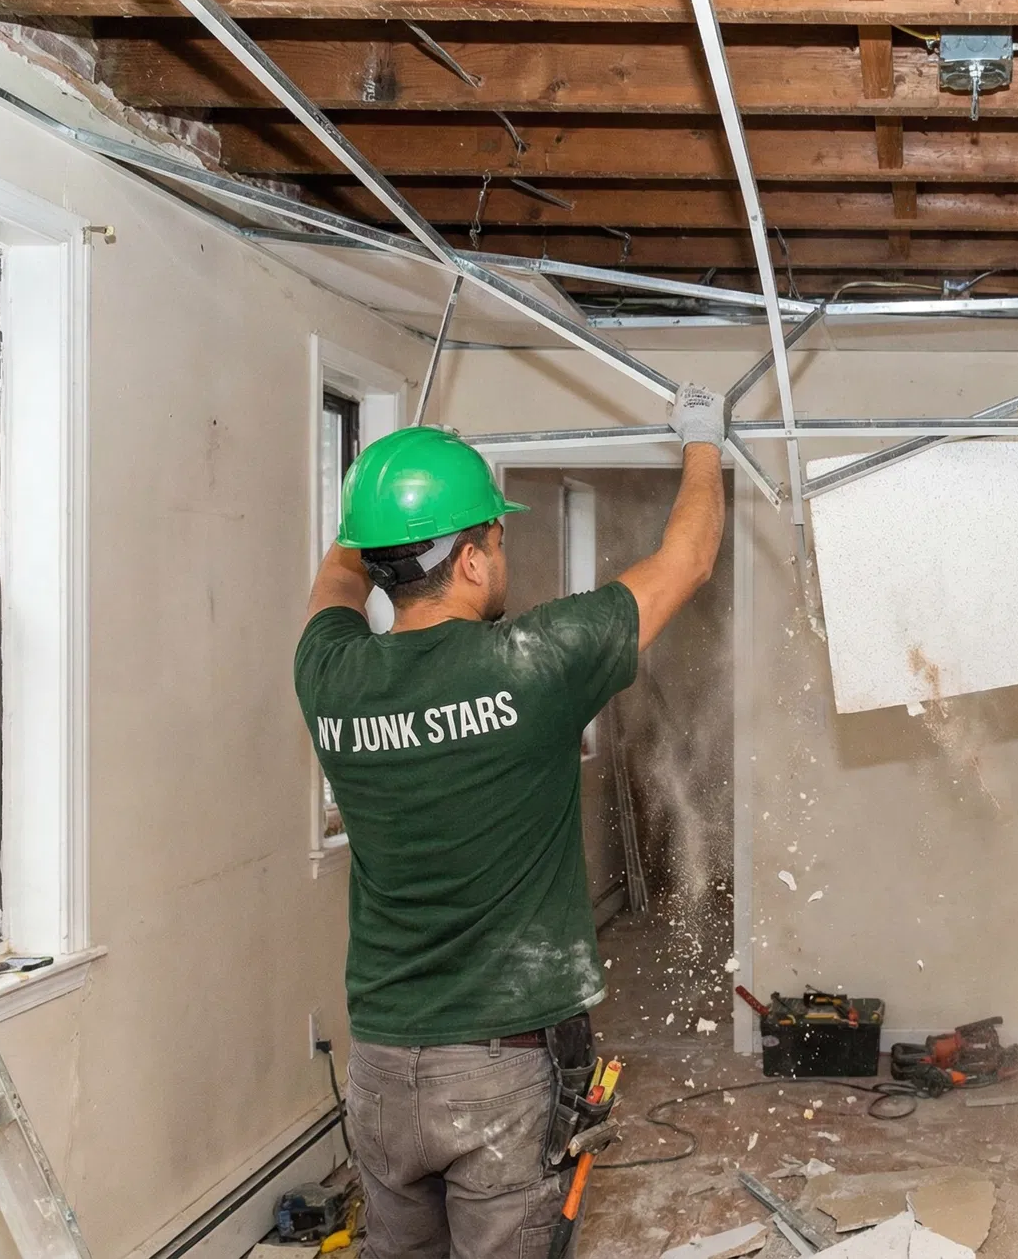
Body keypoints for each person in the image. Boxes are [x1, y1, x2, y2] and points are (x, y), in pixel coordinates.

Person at [292, 384, 729, 1258]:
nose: (504, 549)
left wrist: (381, 503)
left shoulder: (328, 673)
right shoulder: (533, 665)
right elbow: (685, 563)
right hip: (497, 1072)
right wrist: (703, 443)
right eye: (496, 534)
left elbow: (338, 577)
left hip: (381, 1066)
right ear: (471, 562)